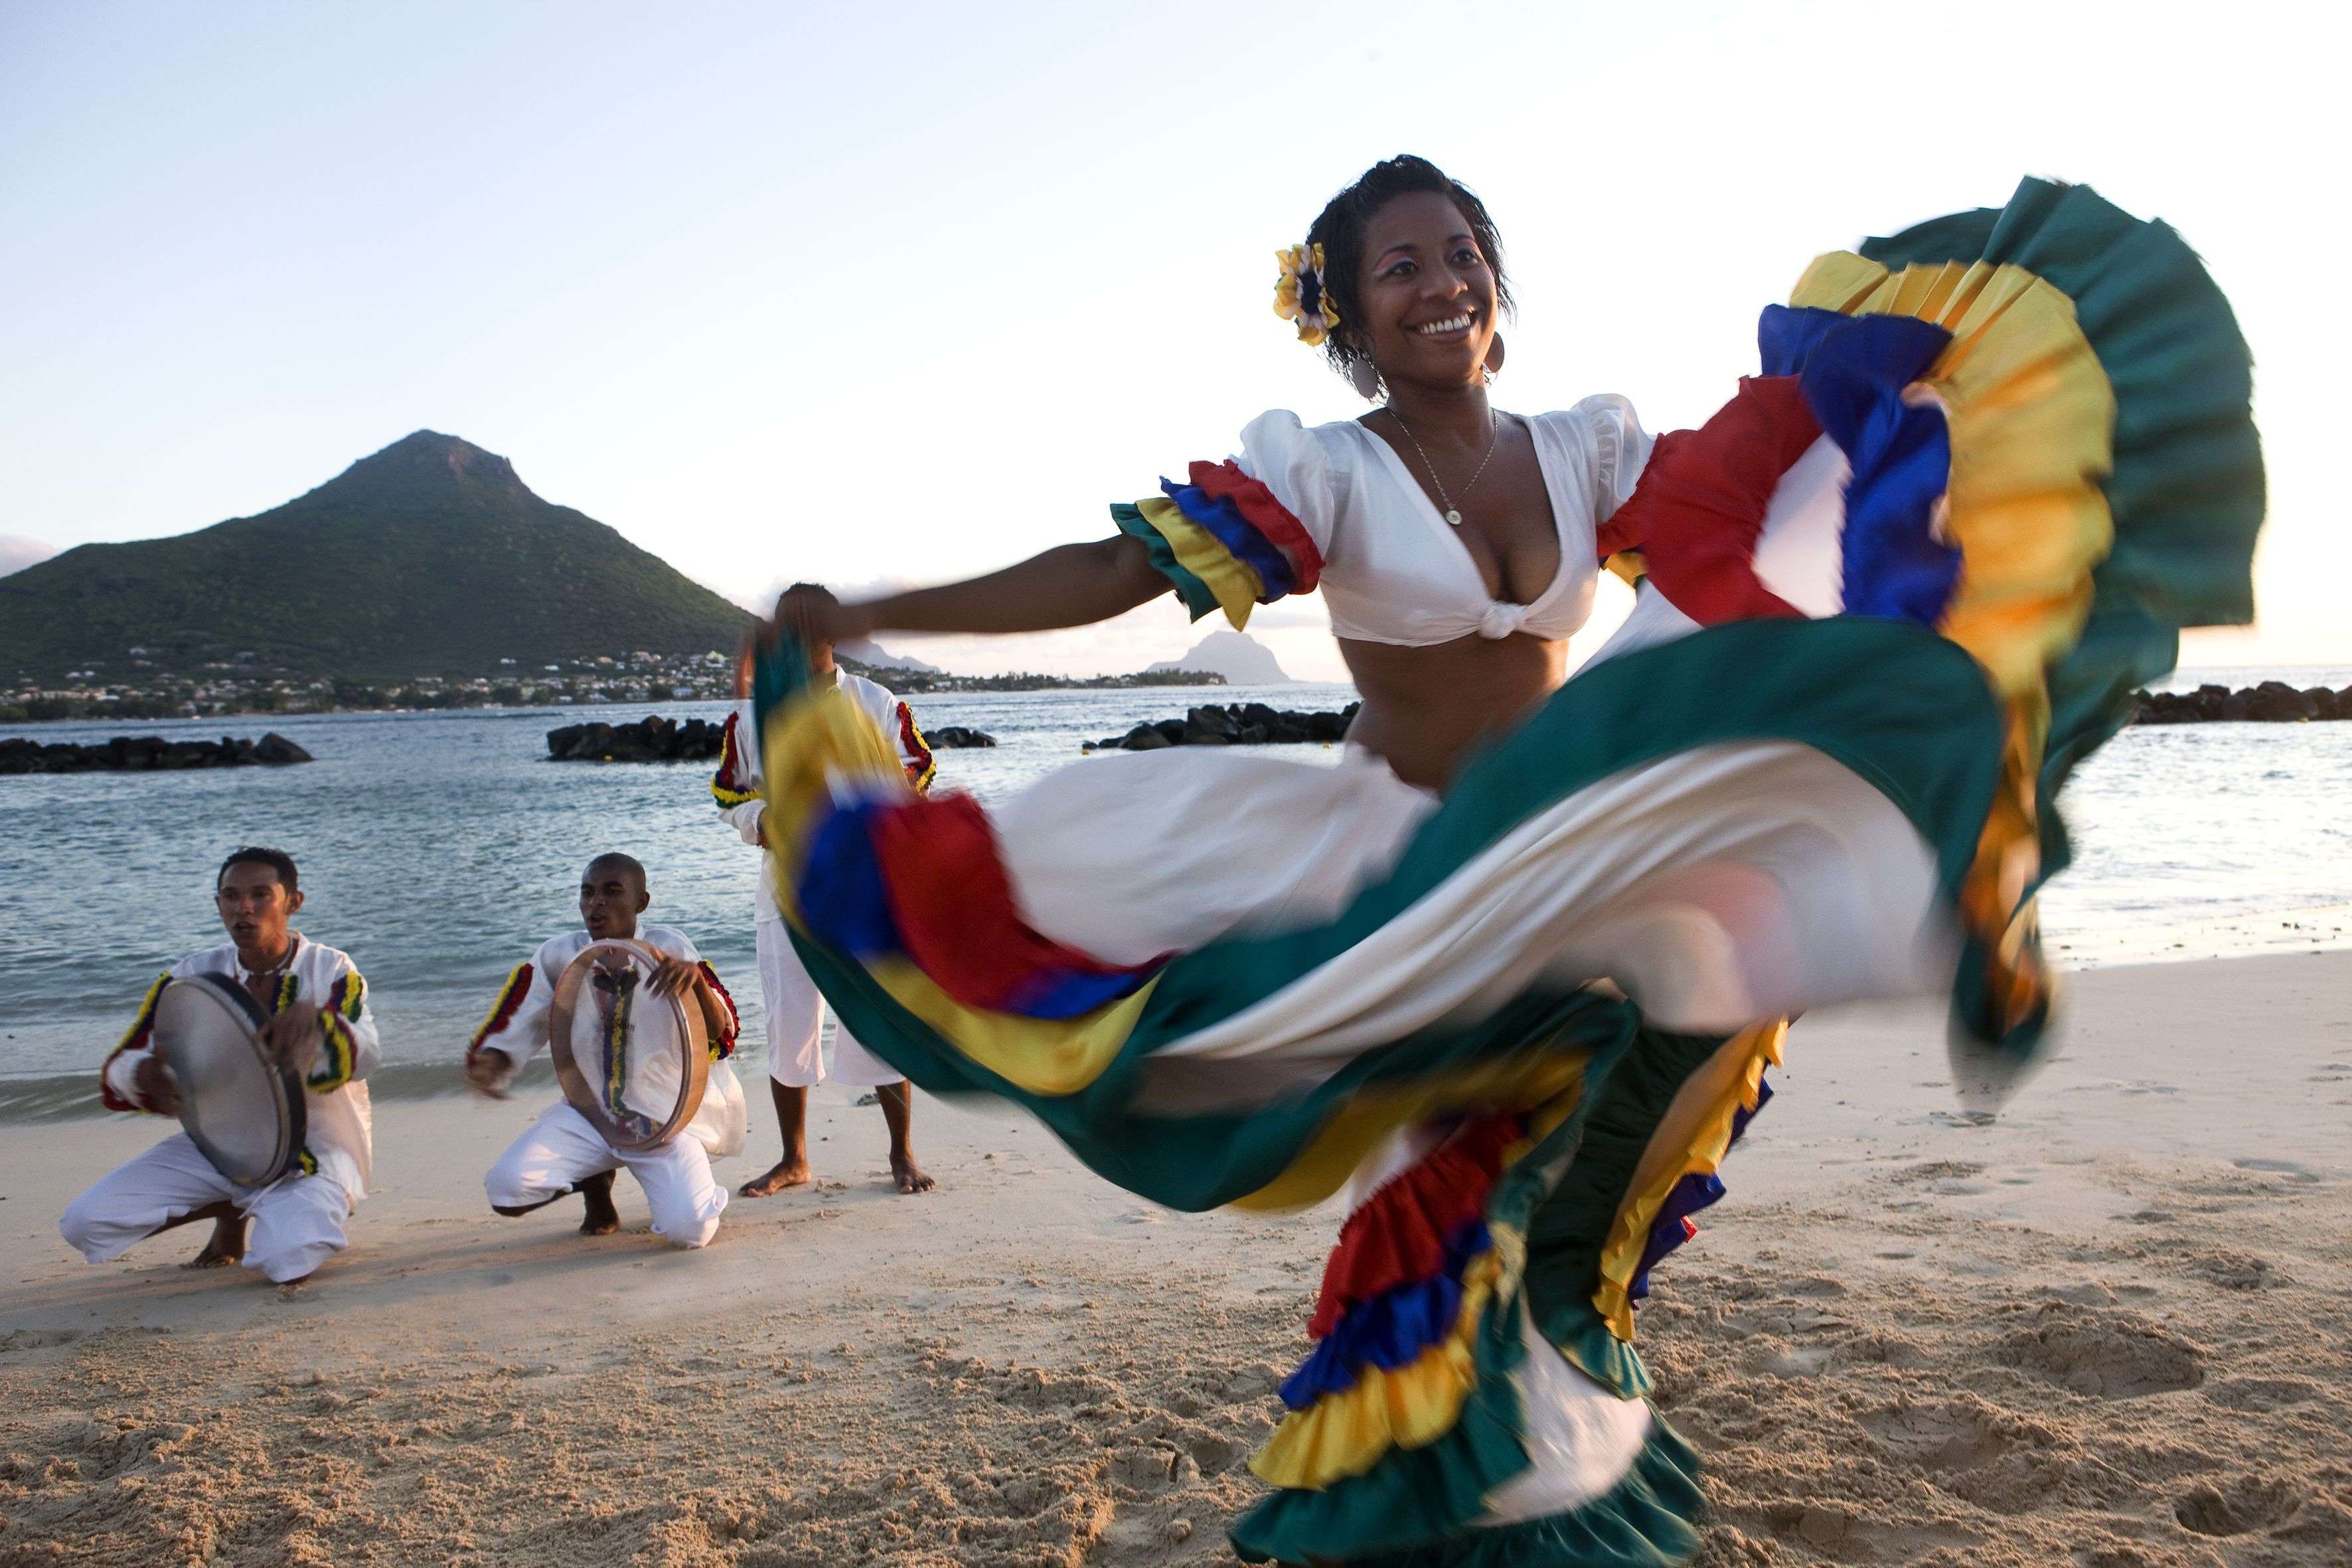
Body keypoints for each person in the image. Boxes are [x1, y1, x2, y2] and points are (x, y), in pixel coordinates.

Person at [745, 157, 2261, 1566]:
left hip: (1564, 852)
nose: (1442, 282)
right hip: (1387, 865)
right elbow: (1113, 571)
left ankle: (1528, 1461)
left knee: (1579, 1151)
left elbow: (1744, 507)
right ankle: (1461, 1500)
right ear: (1349, 313)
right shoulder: (1326, 474)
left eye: (1462, 252)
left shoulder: (1580, 449)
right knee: (1444, 1177)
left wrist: (1900, 416)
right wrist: (879, 613)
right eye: (1399, 265)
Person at [62, 846, 379, 1285]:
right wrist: (142, 1075)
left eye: (260, 895)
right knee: (85, 1223)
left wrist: (320, 1027)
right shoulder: (190, 976)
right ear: (218, 905)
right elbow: (124, 1061)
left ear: (293, 902)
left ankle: (264, 1210)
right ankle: (232, 1209)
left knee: (287, 1261)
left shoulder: (331, 968)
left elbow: (367, 1055)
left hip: (316, 1153)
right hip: (220, 1147)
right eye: (231, 896)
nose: (243, 907)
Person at [712, 585, 936, 1198]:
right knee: (789, 1024)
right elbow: (729, 792)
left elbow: (918, 769)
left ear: (832, 632)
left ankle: (902, 1153)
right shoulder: (753, 717)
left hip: (866, 890)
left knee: (879, 1018)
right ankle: (794, 1160)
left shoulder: (874, 701)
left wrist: (864, 812)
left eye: (807, 628)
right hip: (786, 893)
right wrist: (764, 821)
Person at [464, 852, 747, 1249]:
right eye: (588, 893)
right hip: (589, 1115)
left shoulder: (669, 947)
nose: (596, 903)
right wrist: (494, 1059)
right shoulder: (560, 955)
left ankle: (670, 1184)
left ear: (641, 903)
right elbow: (522, 1013)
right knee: (507, 1191)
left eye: (612, 892)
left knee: (691, 1232)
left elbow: (722, 1032)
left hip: (664, 1120)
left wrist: (695, 982)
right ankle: (595, 1185)